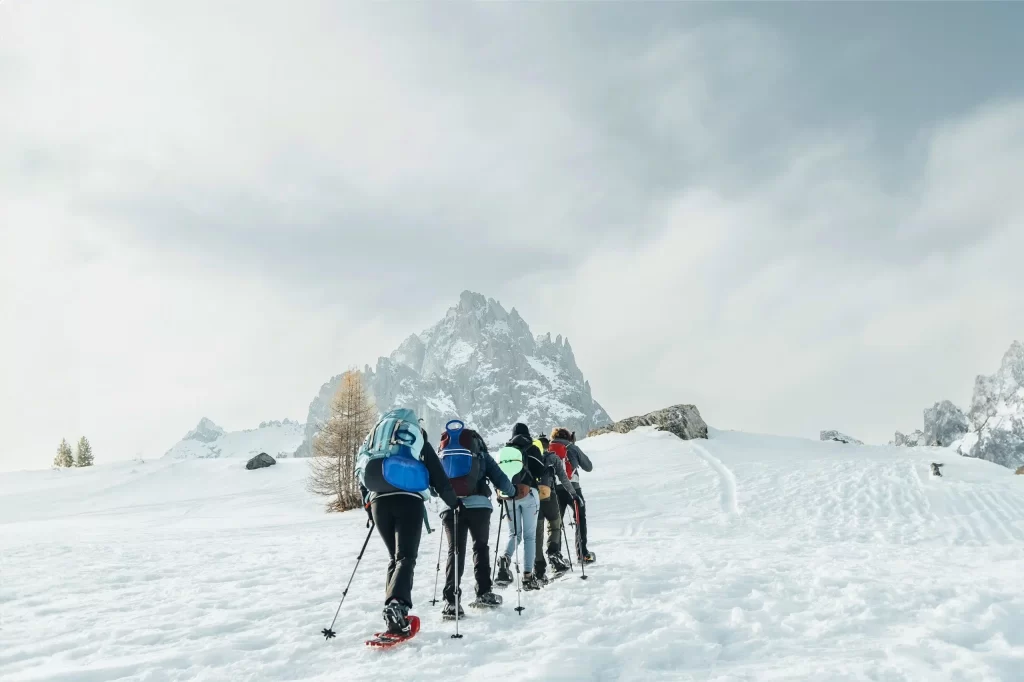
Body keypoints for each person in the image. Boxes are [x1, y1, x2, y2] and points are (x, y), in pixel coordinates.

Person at [357, 410, 462, 635]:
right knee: (406, 557)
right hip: (409, 499)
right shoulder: (416, 434)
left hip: (378, 501)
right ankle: (398, 605)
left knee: (395, 558)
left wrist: (368, 507)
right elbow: (437, 473)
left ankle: (393, 613)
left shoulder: (374, 437)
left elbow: (361, 471)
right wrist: (453, 502)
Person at [436, 420, 516, 618]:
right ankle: (483, 593)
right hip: (479, 506)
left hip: (450, 506)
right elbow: (501, 479)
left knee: (455, 551)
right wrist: (512, 492)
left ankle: (451, 602)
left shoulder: (444, 453)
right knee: (480, 547)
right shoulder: (480, 453)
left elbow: (434, 481)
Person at [494, 423, 545, 590]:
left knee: (515, 533)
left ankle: (505, 558)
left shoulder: (506, 451)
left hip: (509, 496)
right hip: (529, 494)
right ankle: (528, 577)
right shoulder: (532, 448)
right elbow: (540, 471)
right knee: (530, 536)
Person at [532, 433, 577, 581]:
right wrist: (573, 493)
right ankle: (554, 556)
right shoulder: (553, 458)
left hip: (533, 500)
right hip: (549, 496)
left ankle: (538, 570)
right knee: (555, 526)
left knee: (537, 534)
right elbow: (563, 478)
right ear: (547, 446)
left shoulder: (529, 458)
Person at [550, 427, 595, 563]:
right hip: (573, 489)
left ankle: (556, 556)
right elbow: (588, 466)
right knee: (580, 518)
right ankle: (583, 554)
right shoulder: (571, 447)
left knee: (555, 523)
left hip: (554, 490)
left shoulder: (548, 448)